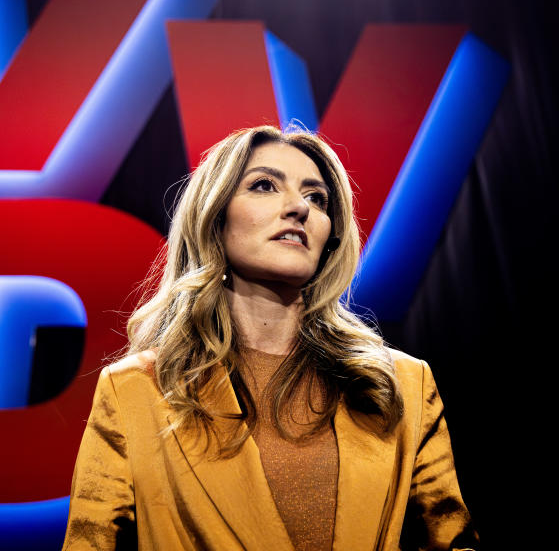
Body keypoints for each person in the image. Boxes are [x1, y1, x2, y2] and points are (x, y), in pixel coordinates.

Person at [62, 125, 478, 550]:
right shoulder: (135, 390)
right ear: (215, 218)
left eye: (317, 198)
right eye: (264, 185)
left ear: (329, 238)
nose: (299, 207)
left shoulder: (403, 386)